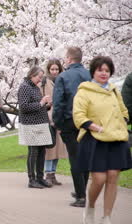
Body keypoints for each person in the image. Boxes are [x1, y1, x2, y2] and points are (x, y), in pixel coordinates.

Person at [73, 56, 131, 224]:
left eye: (107, 70)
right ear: (93, 72)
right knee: (99, 179)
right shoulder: (84, 91)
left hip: (116, 138)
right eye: (100, 70)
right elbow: (78, 114)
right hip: (95, 139)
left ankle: (106, 219)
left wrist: (124, 120)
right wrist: (92, 125)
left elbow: (123, 110)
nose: (104, 73)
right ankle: (90, 207)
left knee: (113, 176)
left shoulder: (114, 90)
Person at [52, 47, 91, 207]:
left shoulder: (63, 76)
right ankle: (81, 189)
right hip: (88, 121)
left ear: (69, 58)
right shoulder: (90, 75)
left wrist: (57, 123)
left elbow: (59, 102)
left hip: (69, 120)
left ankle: (81, 195)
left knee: (75, 158)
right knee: (86, 156)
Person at [18, 66, 53, 189]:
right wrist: (41, 103)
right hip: (30, 124)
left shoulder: (35, 88)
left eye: (41, 77)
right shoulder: (24, 87)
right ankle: (31, 179)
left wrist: (47, 105)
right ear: (32, 75)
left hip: (40, 123)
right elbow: (23, 107)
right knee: (33, 151)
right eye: (39, 77)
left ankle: (40, 177)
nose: (40, 80)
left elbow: (38, 106)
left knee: (42, 151)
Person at [40, 59, 68, 185]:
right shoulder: (44, 82)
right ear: (48, 69)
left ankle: (53, 173)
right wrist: (47, 103)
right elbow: (40, 98)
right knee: (49, 148)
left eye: (57, 69)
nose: (55, 71)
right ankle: (48, 173)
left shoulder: (62, 80)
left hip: (60, 118)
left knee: (58, 148)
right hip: (49, 118)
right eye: (52, 69)